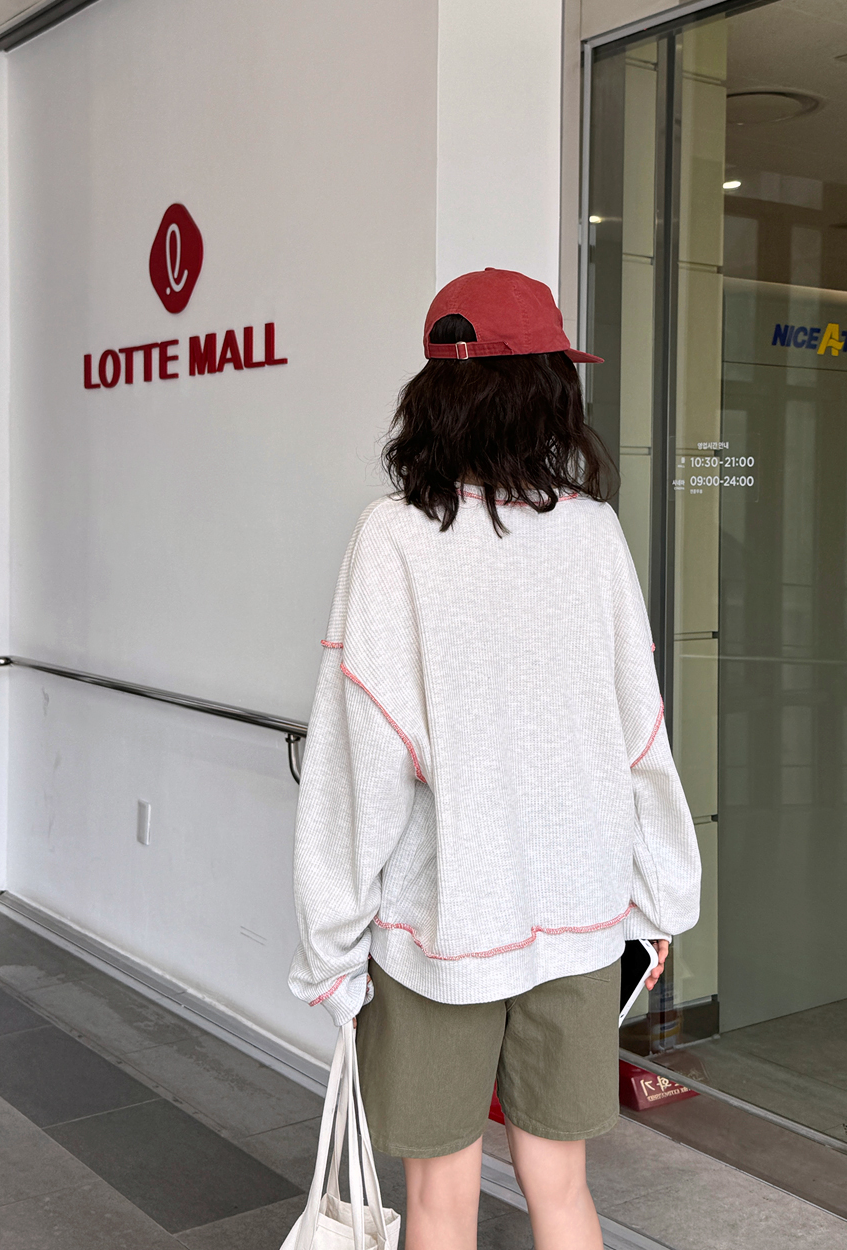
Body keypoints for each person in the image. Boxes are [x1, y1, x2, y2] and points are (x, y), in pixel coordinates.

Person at [288, 268, 701, 1250]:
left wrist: (329, 950)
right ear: (547, 390)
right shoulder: (593, 533)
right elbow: (640, 734)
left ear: (437, 393)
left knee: (441, 1199)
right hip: (582, 918)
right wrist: (660, 901)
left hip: (445, 925)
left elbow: (360, 763)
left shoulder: (393, 538)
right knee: (563, 1190)